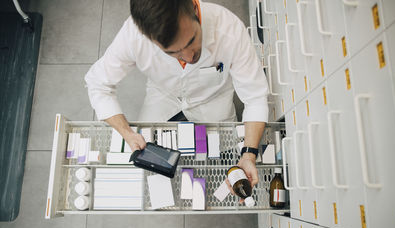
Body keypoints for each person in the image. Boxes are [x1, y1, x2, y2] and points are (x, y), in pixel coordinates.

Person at [84, 0, 269, 194]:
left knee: (226, 150)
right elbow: (97, 84)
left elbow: (255, 97)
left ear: (194, 7)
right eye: (173, 52)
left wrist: (249, 154)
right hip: (164, 96)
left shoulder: (229, 30)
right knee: (149, 158)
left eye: (192, 40)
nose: (189, 57)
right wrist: (127, 133)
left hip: (213, 100)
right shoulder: (133, 37)